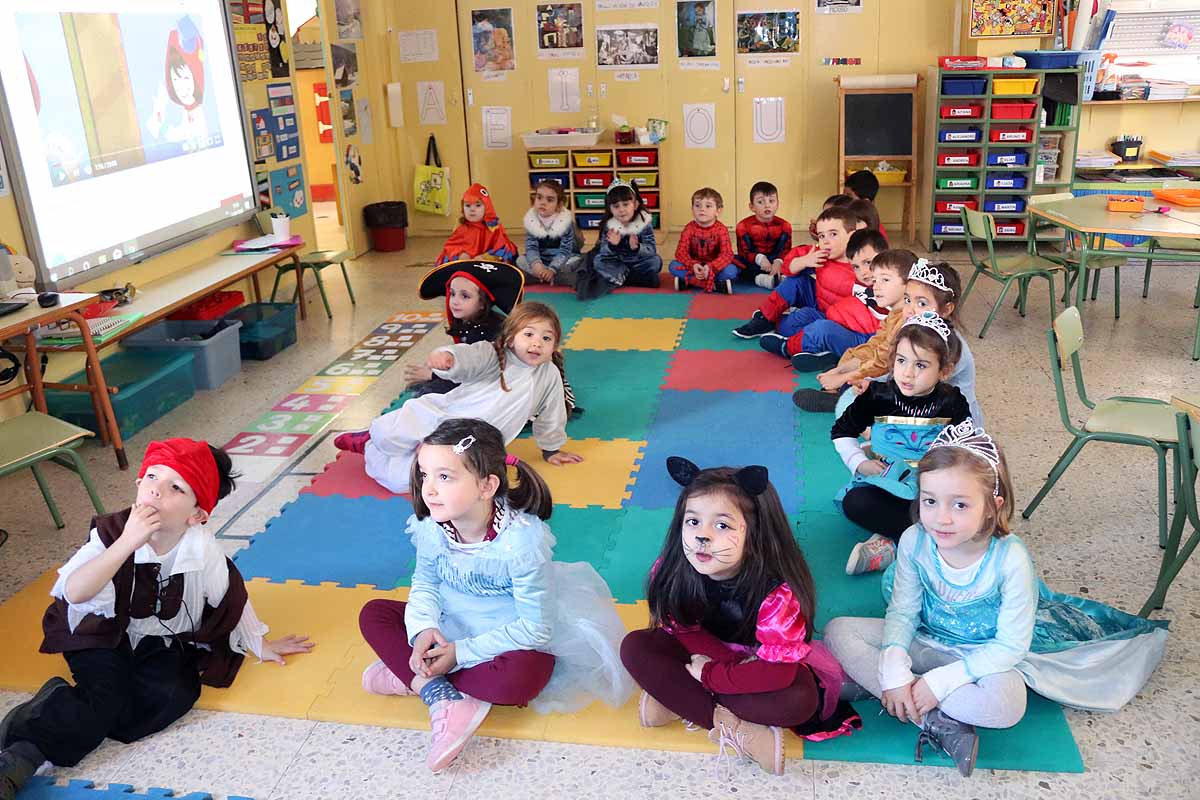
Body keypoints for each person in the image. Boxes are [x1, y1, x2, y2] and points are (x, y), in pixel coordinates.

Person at [825, 420, 1169, 777]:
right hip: (924, 639)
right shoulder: (914, 539)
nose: (941, 518)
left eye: (960, 505)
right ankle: (930, 715)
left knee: (1005, 707)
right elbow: (903, 612)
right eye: (929, 501)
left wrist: (939, 682)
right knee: (838, 631)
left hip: (984, 655)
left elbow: (1009, 646)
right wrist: (896, 670)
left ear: (992, 506)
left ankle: (887, 691)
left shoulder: (1011, 558)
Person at [0, 439, 313, 800]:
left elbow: (230, 597)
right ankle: (23, 751)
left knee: (175, 693)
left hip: (157, 637)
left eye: (175, 487)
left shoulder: (202, 548)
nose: (156, 490)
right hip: (98, 630)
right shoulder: (110, 533)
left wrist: (259, 641)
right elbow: (75, 592)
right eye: (152, 476)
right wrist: (127, 543)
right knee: (106, 697)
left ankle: (63, 705)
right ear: (137, 484)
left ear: (197, 515)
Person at [358, 419, 632, 772]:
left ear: (487, 486)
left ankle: (418, 678)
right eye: (425, 475)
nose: (429, 490)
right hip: (451, 624)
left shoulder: (520, 544)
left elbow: (536, 630)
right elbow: (424, 585)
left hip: (507, 637)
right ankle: (438, 692)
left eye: (445, 477)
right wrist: (422, 630)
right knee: (374, 613)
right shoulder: (431, 527)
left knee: (520, 680)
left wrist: (459, 654)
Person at [620, 457, 860, 776]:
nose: (702, 537)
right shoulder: (672, 569)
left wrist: (710, 676)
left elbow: (778, 673)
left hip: (759, 665)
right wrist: (713, 664)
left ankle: (679, 699)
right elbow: (684, 630)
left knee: (800, 699)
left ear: (756, 532)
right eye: (692, 522)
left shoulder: (778, 593)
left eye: (722, 525)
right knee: (635, 646)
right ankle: (737, 731)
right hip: (704, 654)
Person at [334, 302, 583, 493]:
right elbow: (468, 356)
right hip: (444, 416)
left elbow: (553, 412)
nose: (537, 343)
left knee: (403, 482)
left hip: (472, 444)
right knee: (386, 434)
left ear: (555, 346)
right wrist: (448, 359)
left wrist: (551, 449)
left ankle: (370, 451)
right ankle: (369, 438)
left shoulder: (549, 374)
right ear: (510, 337)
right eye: (529, 334)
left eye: (546, 338)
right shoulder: (495, 355)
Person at [832, 312, 970, 574]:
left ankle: (891, 545)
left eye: (921, 365)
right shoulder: (877, 395)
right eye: (901, 360)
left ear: (944, 370)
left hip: (933, 489)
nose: (907, 373)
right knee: (856, 502)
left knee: (969, 507)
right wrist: (859, 463)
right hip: (887, 483)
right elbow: (842, 431)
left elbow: (966, 445)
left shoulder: (952, 401)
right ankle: (930, 543)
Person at [794, 260, 983, 424]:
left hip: (944, 418)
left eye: (922, 303)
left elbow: (914, 387)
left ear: (947, 309)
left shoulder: (948, 345)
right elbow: (894, 368)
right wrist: (870, 382)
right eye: (908, 300)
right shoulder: (912, 329)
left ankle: (844, 401)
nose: (910, 309)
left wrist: (876, 391)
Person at [758, 230, 894, 371]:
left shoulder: (893, 286)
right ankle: (827, 355)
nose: (863, 272)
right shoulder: (859, 280)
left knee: (822, 329)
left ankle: (787, 348)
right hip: (844, 323)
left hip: (865, 340)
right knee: (803, 317)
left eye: (868, 263)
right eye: (856, 267)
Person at [731, 206, 858, 340]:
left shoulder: (862, 263)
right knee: (794, 281)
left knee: (790, 326)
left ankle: (784, 326)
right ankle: (766, 318)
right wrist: (805, 261)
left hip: (835, 320)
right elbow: (787, 268)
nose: (826, 241)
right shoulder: (819, 253)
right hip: (818, 303)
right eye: (821, 236)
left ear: (852, 236)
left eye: (833, 234)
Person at [403, 260, 525, 397]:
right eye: (453, 293)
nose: (455, 301)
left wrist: (432, 375)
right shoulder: (473, 321)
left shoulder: (484, 331)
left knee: (423, 396)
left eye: (465, 296)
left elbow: (474, 373)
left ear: (482, 303)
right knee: (423, 388)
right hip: (476, 376)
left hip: (491, 385)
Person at [575, 180, 662, 299]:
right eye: (616, 206)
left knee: (655, 261)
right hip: (616, 262)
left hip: (636, 261)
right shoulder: (609, 225)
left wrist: (637, 248)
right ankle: (631, 278)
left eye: (625, 204)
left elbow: (651, 249)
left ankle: (622, 277)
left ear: (635, 205)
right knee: (598, 261)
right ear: (610, 209)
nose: (621, 210)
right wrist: (613, 245)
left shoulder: (644, 223)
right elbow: (603, 252)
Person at [517, 180, 583, 286]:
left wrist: (553, 269)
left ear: (559, 205)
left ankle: (545, 276)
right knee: (520, 260)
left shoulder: (565, 222)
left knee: (578, 260)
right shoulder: (532, 221)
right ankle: (544, 275)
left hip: (562, 260)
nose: (543, 203)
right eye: (539, 198)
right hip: (541, 259)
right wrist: (537, 265)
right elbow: (531, 248)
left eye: (550, 200)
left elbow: (565, 251)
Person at [670, 187, 735, 294]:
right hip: (695, 266)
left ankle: (690, 281)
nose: (702, 209)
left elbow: (726, 254)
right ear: (692, 209)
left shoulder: (721, 229)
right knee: (673, 266)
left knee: (731, 271)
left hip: (714, 266)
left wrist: (711, 267)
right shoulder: (689, 228)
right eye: (697, 206)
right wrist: (693, 265)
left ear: (718, 211)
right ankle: (714, 285)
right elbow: (681, 252)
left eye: (708, 206)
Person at [436, 183, 518, 266]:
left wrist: (485, 257)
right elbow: (451, 247)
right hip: (467, 265)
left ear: (487, 207)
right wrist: (460, 254)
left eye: (478, 205)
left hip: (488, 265)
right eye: (468, 205)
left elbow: (501, 248)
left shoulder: (493, 227)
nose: (472, 209)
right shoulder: (461, 227)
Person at [734, 181, 793, 289]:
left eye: (771, 201)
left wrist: (779, 261)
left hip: (776, 260)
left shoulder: (785, 225)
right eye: (761, 202)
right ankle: (762, 279)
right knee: (735, 262)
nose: (767, 205)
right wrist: (760, 259)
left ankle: (781, 276)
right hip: (754, 262)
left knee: (800, 252)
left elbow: (786, 250)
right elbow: (744, 252)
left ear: (777, 204)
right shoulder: (743, 226)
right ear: (752, 207)